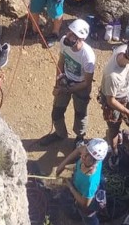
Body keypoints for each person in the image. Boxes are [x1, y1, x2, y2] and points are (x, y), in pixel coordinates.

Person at [38, 17, 96, 148]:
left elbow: (87, 82)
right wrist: (57, 84)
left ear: (80, 39)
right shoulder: (64, 42)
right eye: (69, 32)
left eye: (72, 35)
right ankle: (60, 134)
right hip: (66, 80)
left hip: (81, 85)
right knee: (57, 112)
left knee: (80, 114)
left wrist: (67, 90)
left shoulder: (88, 57)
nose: (68, 36)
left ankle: (80, 137)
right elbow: (61, 63)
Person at [55, 137, 109, 225]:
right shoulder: (89, 153)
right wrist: (62, 164)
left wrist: (70, 186)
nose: (83, 155)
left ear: (95, 161)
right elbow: (79, 149)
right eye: (86, 152)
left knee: (89, 218)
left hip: (89, 199)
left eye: (88, 156)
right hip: (86, 185)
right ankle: (104, 211)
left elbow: (85, 204)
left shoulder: (90, 182)